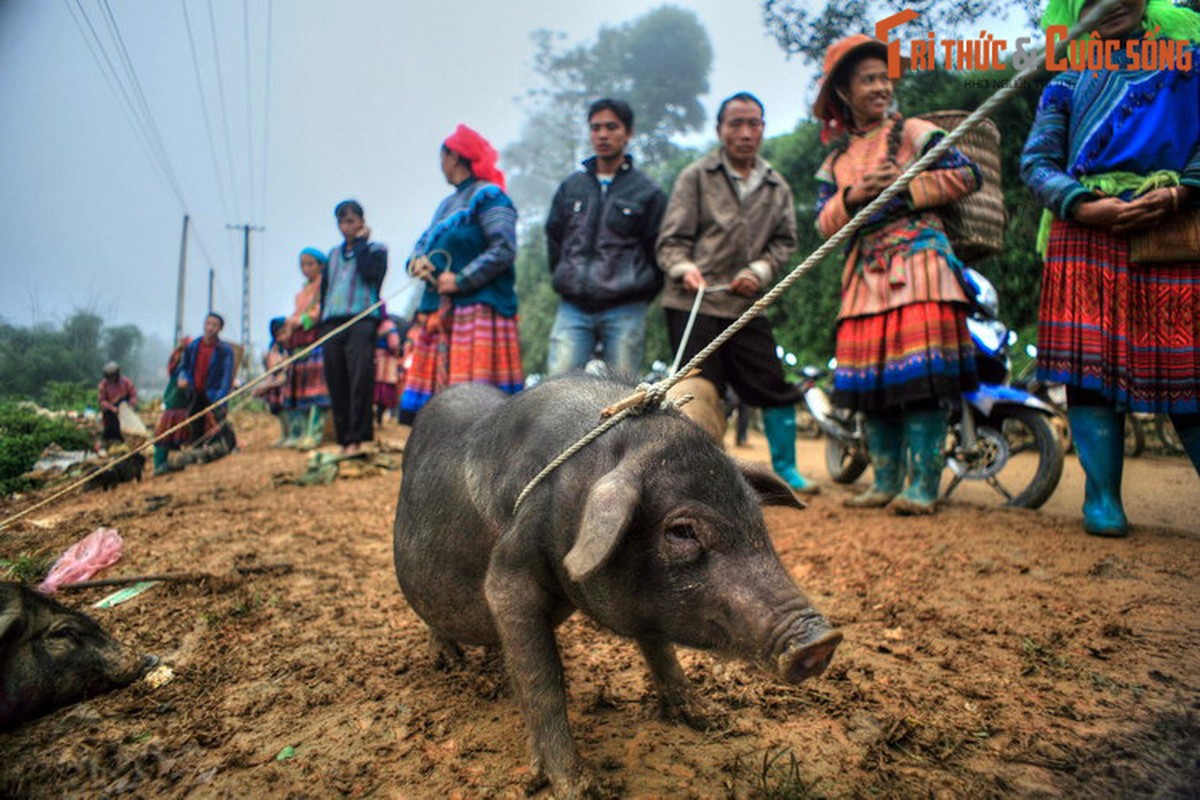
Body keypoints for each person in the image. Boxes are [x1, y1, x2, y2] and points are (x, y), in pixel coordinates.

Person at [1020, 0, 1200, 536]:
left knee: (1189, 370)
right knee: (1089, 374)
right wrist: (1080, 202)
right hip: (1086, 235)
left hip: (1170, 230)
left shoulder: (1187, 64)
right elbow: (1036, 163)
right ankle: (1102, 500)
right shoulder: (1069, 79)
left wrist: (1179, 191)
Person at [813, 35, 982, 515]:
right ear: (844, 92)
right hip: (864, 276)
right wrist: (850, 197)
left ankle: (922, 486)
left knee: (921, 380)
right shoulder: (835, 162)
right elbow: (821, 222)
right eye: (867, 79)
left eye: (884, 77)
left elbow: (967, 175)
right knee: (871, 386)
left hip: (921, 265)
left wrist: (899, 188)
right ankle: (884, 480)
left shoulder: (914, 132)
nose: (880, 87)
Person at [656, 92, 818, 494]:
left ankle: (785, 470)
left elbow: (784, 242)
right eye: (736, 124)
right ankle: (700, 476)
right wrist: (684, 269)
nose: (746, 133)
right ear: (720, 130)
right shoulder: (695, 176)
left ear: (763, 129)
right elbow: (670, 242)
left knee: (772, 384)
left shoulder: (776, 185)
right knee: (697, 389)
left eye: (754, 124)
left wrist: (759, 271)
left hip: (747, 306)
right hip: (693, 301)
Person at [400, 124, 523, 423]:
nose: (441, 165)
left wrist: (460, 279)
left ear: (454, 157)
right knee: (437, 416)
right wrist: (418, 263)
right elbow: (421, 246)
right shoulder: (446, 206)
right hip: (440, 316)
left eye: (442, 158)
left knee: (476, 412)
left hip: (478, 312)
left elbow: (504, 248)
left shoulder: (489, 196)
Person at [545, 98, 667, 377]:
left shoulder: (647, 192)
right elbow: (554, 239)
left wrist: (638, 292)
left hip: (625, 309)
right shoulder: (571, 186)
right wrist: (568, 278)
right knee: (557, 387)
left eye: (611, 127)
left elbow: (657, 251)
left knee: (621, 393)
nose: (602, 135)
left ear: (629, 133)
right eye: (596, 127)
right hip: (573, 307)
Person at [319, 201, 388, 455]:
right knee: (337, 380)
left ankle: (360, 438)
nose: (345, 227)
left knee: (360, 379)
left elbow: (372, 275)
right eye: (341, 222)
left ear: (361, 222)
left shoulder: (376, 250)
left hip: (361, 321)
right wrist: (321, 326)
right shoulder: (332, 256)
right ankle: (344, 440)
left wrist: (360, 245)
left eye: (350, 221)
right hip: (332, 323)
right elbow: (324, 291)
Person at [284, 247, 333, 450]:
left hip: (315, 339)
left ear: (321, 266)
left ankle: (315, 433)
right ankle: (301, 432)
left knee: (316, 390)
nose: (305, 268)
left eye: (310, 264)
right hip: (299, 342)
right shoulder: (302, 292)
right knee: (300, 389)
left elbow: (320, 311)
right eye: (302, 264)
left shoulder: (324, 286)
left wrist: (300, 320)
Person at [177, 312, 238, 452]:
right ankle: (197, 448)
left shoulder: (224, 350)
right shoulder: (193, 346)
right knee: (195, 419)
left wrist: (222, 399)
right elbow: (184, 367)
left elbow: (226, 376)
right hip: (196, 389)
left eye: (214, 325)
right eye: (208, 324)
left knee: (220, 419)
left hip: (214, 391)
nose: (210, 328)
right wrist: (184, 378)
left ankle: (232, 446)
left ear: (220, 329)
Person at [253, 318, 291, 446]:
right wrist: (266, 385)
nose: (283, 336)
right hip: (275, 384)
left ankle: (290, 434)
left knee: (285, 407)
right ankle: (284, 434)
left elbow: (284, 372)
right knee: (277, 408)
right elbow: (272, 370)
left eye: (285, 332)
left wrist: (268, 385)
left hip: (284, 384)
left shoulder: (288, 350)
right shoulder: (273, 349)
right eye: (280, 333)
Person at [373, 311, 404, 426]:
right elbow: (394, 344)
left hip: (373, 358)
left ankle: (373, 414)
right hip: (387, 361)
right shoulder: (389, 326)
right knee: (384, 389)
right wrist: (397, 353)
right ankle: (379, 416)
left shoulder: (373, 324)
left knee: (374, 388)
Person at [97, 361, 137, 444]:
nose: (111, 379)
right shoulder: (103, 385)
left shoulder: (126, 382)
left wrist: (131, 404)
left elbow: (133, 395)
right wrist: (112, 408)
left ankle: (123, 438)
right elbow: (102, 400)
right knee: (109, 424)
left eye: (113, 376)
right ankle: (108, 439)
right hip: (110, 409)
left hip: (124, 407)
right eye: (109, 377)